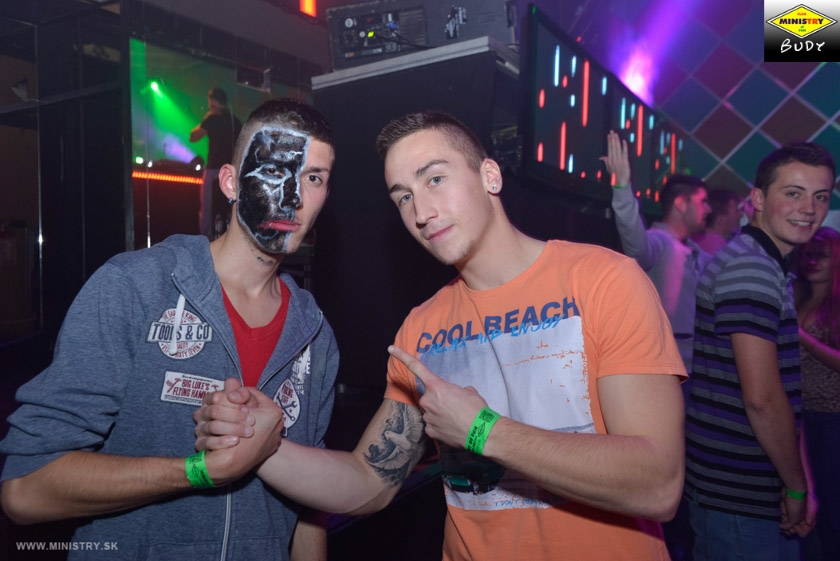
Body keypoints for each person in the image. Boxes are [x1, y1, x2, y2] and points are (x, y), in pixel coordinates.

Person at [196, 110, 687, 560]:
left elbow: (658, 484)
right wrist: (261, 445)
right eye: (404, 196)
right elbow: (369, 481)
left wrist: (483, 430)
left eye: (434, 179)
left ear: (489, 176)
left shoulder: (603, 282)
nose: (421, 212)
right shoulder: (423, 328)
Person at [0, 98, 338, 560]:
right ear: (230, 182)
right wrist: (199, 471)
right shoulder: (135, 287)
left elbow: (309, 506)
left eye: (314, 178)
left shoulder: (314, 331)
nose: (293, 198)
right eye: (277, 171)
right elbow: (25, 489)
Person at [684, 141, 835, 561]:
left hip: (753, 486)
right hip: (737, 491)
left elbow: (781, 395)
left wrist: (797, 481)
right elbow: (763, 399)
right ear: (758, 199)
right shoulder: (751, 268)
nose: (809, 208)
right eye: (794, 193)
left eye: (821, 196)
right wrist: (797, 487)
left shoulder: (765, 264)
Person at [602, 130, 712, 374]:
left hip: (693, 371)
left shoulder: (694, 251)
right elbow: (636, 247)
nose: (709, 209)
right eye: (703, 201)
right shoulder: (659, 242)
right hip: (665, 370)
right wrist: (622, 188)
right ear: (681, 204)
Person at [794, 227, 840, 561]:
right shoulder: (797, 296)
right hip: (799, 416)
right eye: (807, 254)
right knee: (808, 506)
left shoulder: (836, 305)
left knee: (832, 508)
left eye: (821, 255)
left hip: (832, 418)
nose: (812, 261)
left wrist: (804, 339)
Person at [190, 87, 243, 239]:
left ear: (213, 100)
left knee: (207, 207)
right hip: (232, 169)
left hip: (214, 169)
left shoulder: (212, 118)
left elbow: (193, 137)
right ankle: (231, 238)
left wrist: (205, 119)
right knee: (230, 207)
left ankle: (206, 240)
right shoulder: (235, 120)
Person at [691, 188, 745, 254]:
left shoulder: (692, 239)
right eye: (736, 211)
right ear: (721, 220)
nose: (741, 215)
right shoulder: (722, 250)